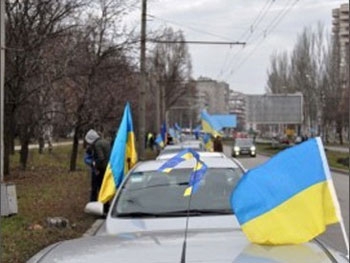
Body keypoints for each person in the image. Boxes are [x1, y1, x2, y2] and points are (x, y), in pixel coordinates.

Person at [84, 129, 111, 202]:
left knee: (96, 187)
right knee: (104, 188)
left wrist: (94, 163)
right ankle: (105, 204)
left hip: (100, 170)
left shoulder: (97, 144)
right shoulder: (106, 142)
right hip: (107, 168)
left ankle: (96, 203)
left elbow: (101, 158)